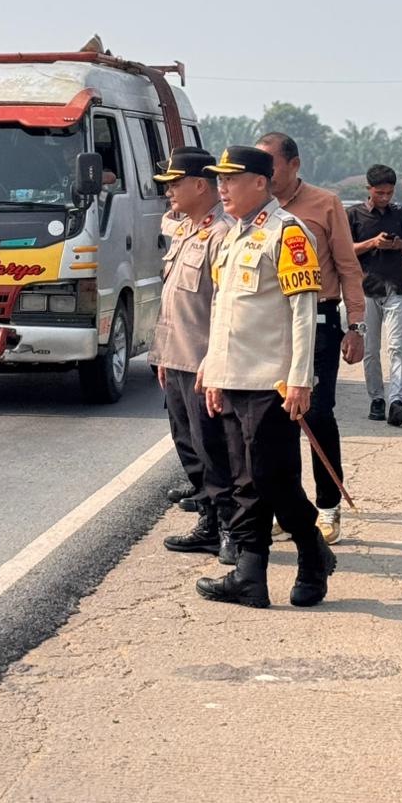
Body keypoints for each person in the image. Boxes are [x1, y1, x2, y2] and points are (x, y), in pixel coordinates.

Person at [195, 146, 335, 610]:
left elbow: (303, 311)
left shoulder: (288, 233)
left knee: (272, 478)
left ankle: (311, 550)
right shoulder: (232, 237)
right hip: (233, 378)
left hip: (272, 382)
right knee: (243, 481)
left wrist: (301, 379)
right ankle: (250, 578)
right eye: (219, 180)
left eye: (230, 180)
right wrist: (213, 371)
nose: (222, 189)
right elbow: (224, 312)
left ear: (261, 181)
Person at [256, 133, 366, 546]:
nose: (264, 173)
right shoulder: (256, 210)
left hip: (319, 322)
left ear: (294, 164)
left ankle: (327, 506)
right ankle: (290, 510)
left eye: (271, 163)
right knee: (274, 421)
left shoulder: (325, 204)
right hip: (270, 326)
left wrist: (356, 327)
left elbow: (348, 267)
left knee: (316, 415)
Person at [149, 148, 236, 563]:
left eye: (174, 183)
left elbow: (225, 305)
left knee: (215, 450)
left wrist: (213, 361)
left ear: (200, 185)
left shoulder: (222, 233)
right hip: (176, 356)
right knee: (188, 446)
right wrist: (163, 355)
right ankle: (207, 521)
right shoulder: (186, 229)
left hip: (203, 363)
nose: (168, 192)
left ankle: (232, 532)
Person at [347, 165, 402, 426]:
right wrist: (372, 243)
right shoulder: (354, 215)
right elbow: (345, 251)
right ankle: (376, 398)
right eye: (380, 193)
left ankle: (397, 400)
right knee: (372, 349)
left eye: (389, 193)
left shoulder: (400, 215)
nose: (385, 198)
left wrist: (398, 244)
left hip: (396, 288)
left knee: (397, 347)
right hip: (366, 289)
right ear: (369, 189)